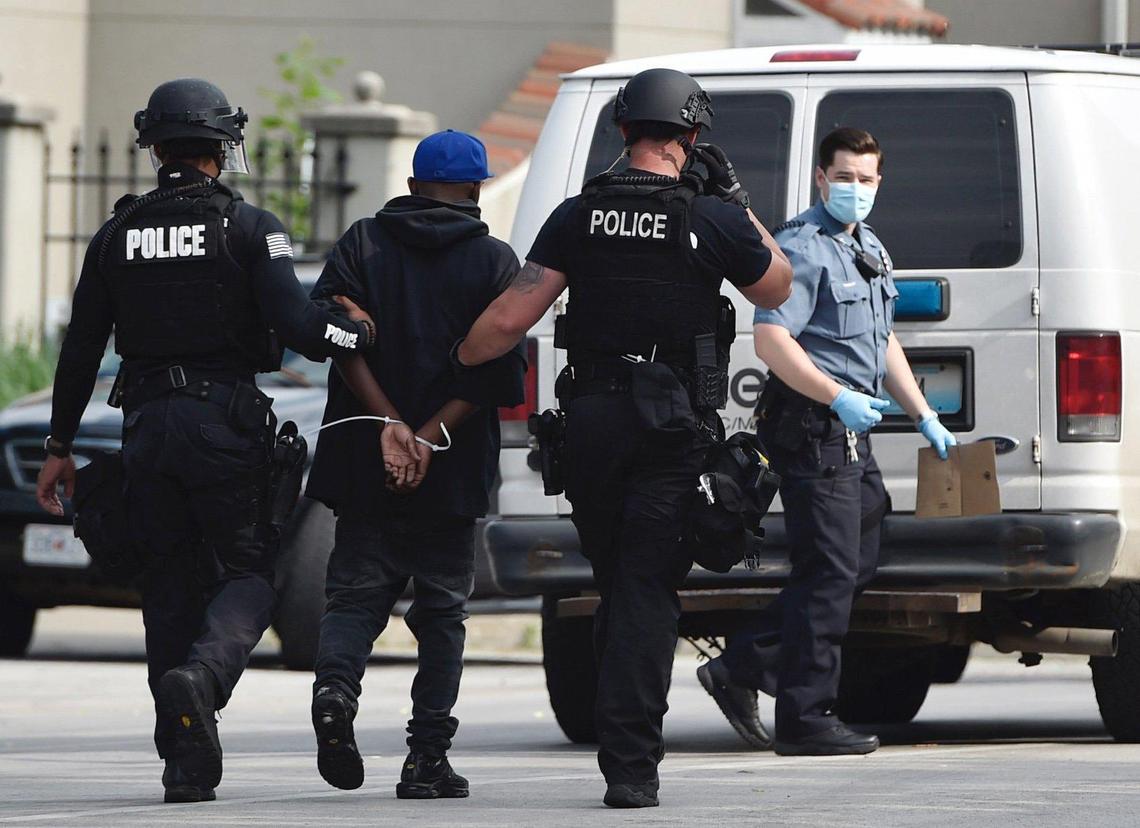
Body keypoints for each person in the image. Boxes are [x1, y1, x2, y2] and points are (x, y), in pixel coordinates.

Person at [453, 68, 792, 808]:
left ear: (623, 130)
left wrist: (450, 363)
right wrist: (735, 198)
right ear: (693, 137)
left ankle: (622, 740)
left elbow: (508, 322)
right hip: (668, 429)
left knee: (618, 584)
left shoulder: (579, 216)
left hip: (593, 428)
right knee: (644, 590)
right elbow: (778, 285)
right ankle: (631, 765)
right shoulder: (713, 217)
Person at [34, 78, 375, 804]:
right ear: (223, 147)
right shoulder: (249, 228)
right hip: (223, 422)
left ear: (153, 147)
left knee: (167, 581)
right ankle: (205, 679)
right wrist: (359, 329)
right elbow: (305, 334)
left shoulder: (114, 235)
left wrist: (60, 445)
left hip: (145, 427)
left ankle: (183, 763)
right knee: (250, 572)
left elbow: (79, 350)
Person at [698, 127, 957, 757]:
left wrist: (923, 412)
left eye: (867, 179)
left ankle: (744, 665)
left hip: (851, 435)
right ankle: (806, 716)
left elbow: (882, 339)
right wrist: (834, 395)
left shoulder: (867, 246)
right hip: (814, 427)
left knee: (860, 553)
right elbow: (770, 339)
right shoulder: (803, 248)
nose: (857, 190)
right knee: (830, 571)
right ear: (822, 178)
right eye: (845, 177)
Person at [304, 129, 526, 800]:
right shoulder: (493, 260)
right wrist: (427, 436)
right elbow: (500, 370)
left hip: (364, 455)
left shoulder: (361, 244)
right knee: (441, 612)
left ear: (410, 185)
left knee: (353, 597)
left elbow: (333, 340)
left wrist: (390, 425)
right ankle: (426, 759)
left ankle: (336, 694)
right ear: (476, 189)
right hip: (450, 468)